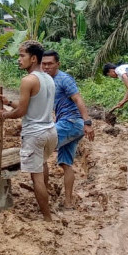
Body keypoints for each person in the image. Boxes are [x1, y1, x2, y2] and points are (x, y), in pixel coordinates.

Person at [0, 40, 57, 222]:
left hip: (34, 134)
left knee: (36, 177)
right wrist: (8, 103)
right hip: (50, 132)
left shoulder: (28, 80)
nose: (18, 59)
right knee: (43, 165)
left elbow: (22, 112)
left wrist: (5, 116)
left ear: (33, 58)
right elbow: (29, 106)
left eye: (22, 55)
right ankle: (46, 204)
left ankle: (47, 218)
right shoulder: (48, 78)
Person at [41, 50, 95, 209]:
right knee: (65, 164)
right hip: (69, 124)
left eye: (50, 64)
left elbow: (78, 98)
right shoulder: (47, 81)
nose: (46, 67)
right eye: (44, 64)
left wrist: (88, 122)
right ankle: (69, 202)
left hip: (71, 123)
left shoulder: (64, 79)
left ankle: (42, 197)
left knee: (40, 151)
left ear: (58, 64)